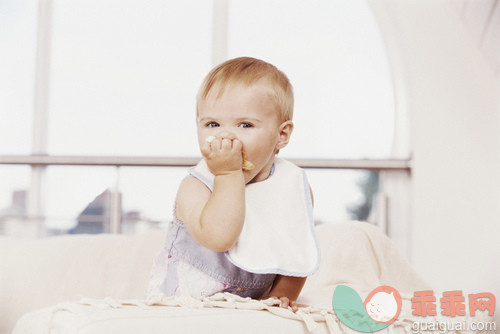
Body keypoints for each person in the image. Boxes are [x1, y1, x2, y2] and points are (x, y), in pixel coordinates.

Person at [147, 57, 319, 312]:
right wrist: (228, 175)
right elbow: (219, 237)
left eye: (245, 124)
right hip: (185, 307)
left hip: (250, 308)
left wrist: (282, 294)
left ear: (281, 135)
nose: (225, 136)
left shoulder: (289, 187)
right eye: (212, 124)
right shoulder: (196, 187)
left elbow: (294, 251)